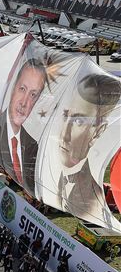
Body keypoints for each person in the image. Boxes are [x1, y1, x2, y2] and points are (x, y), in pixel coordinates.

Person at [52, 73, 121, 224]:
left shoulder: (91, 198)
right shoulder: (48, 168)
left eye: (78, 120)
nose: (64, 134)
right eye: (65, 115)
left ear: (98, 131)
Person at [0, 57, 50, 193]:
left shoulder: (32, 144)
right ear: (12, 88)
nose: (24, 102)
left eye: (33, 94)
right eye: (22, 89)